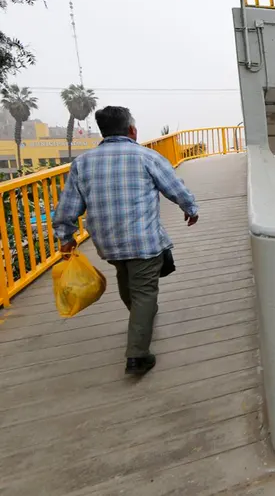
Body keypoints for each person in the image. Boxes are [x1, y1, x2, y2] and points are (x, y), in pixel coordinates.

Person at [53, 106, 198, 377]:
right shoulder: (146, 156)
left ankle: (139, 320)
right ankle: (137, 355)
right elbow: (174, 188)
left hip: (107, 243)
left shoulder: (83, 163)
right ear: (132, 130)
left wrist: (66, 237)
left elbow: (68, 207)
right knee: (144, 292)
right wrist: (190, 208)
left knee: (125, 278)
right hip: (143, 240)